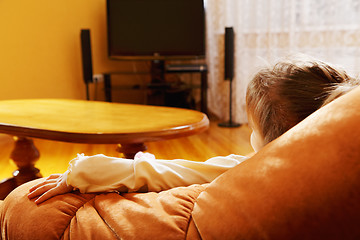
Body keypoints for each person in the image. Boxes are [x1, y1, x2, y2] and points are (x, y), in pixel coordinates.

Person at [28, 55, 360, 204]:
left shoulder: (251, 170)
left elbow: (159, 172)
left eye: (252, 128)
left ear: (270, 141)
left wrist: (80, 172)